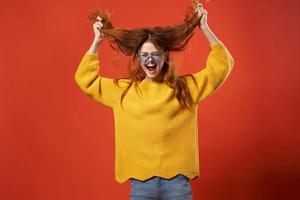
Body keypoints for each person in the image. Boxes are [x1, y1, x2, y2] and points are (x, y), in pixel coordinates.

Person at [74, 1, 234, 199]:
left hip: (177, 184)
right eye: (145, 55)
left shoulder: (184, 89)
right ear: (139, 59)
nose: (150, 60)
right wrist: (97, 41)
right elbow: (85, 79)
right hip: (141, 184)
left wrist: (205, 28)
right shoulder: (124, 92)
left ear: (164, 56)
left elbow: (221, 66)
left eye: (155, 54)